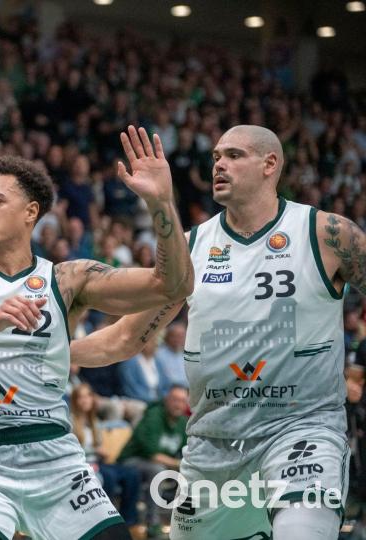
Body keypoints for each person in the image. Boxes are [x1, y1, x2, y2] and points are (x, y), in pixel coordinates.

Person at [71, 125, 364, 540]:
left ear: (270, 164)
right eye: (215, 157)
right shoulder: (190, 248)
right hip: (215, 444)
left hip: (301, 428)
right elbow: (124, 338)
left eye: (233, 155)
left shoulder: (326, 234)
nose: (219, 165)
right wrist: (47, 352)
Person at [0, 127, 194, 540]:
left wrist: (160, 204)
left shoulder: (67, 278)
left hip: (53, 455)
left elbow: (171, 286)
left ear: (30, 212)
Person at [69, 384, 141, 535]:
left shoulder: (94, 421)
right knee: (109, 476)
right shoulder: (70, 422)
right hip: (82, 464)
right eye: (81, 397)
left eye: (88, 396)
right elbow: (71, 450)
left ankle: (129, 521)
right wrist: (95, 450)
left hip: (98, 462)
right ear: (75, 400)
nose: (85, 400)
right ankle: (104, 523)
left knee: (132, 474)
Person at [118, 385, 190, 536]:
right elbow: (151, 453)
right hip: (131, 461)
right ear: (166, 400)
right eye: (175, 400)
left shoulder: (183, 422)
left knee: (188, 472)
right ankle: (153, 522)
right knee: (157, 471)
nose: (178, 404)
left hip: (161, 463)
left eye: (182, 401)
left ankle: (185, 522)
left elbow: (186, 450)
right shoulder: (154, 416)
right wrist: (178, 464)